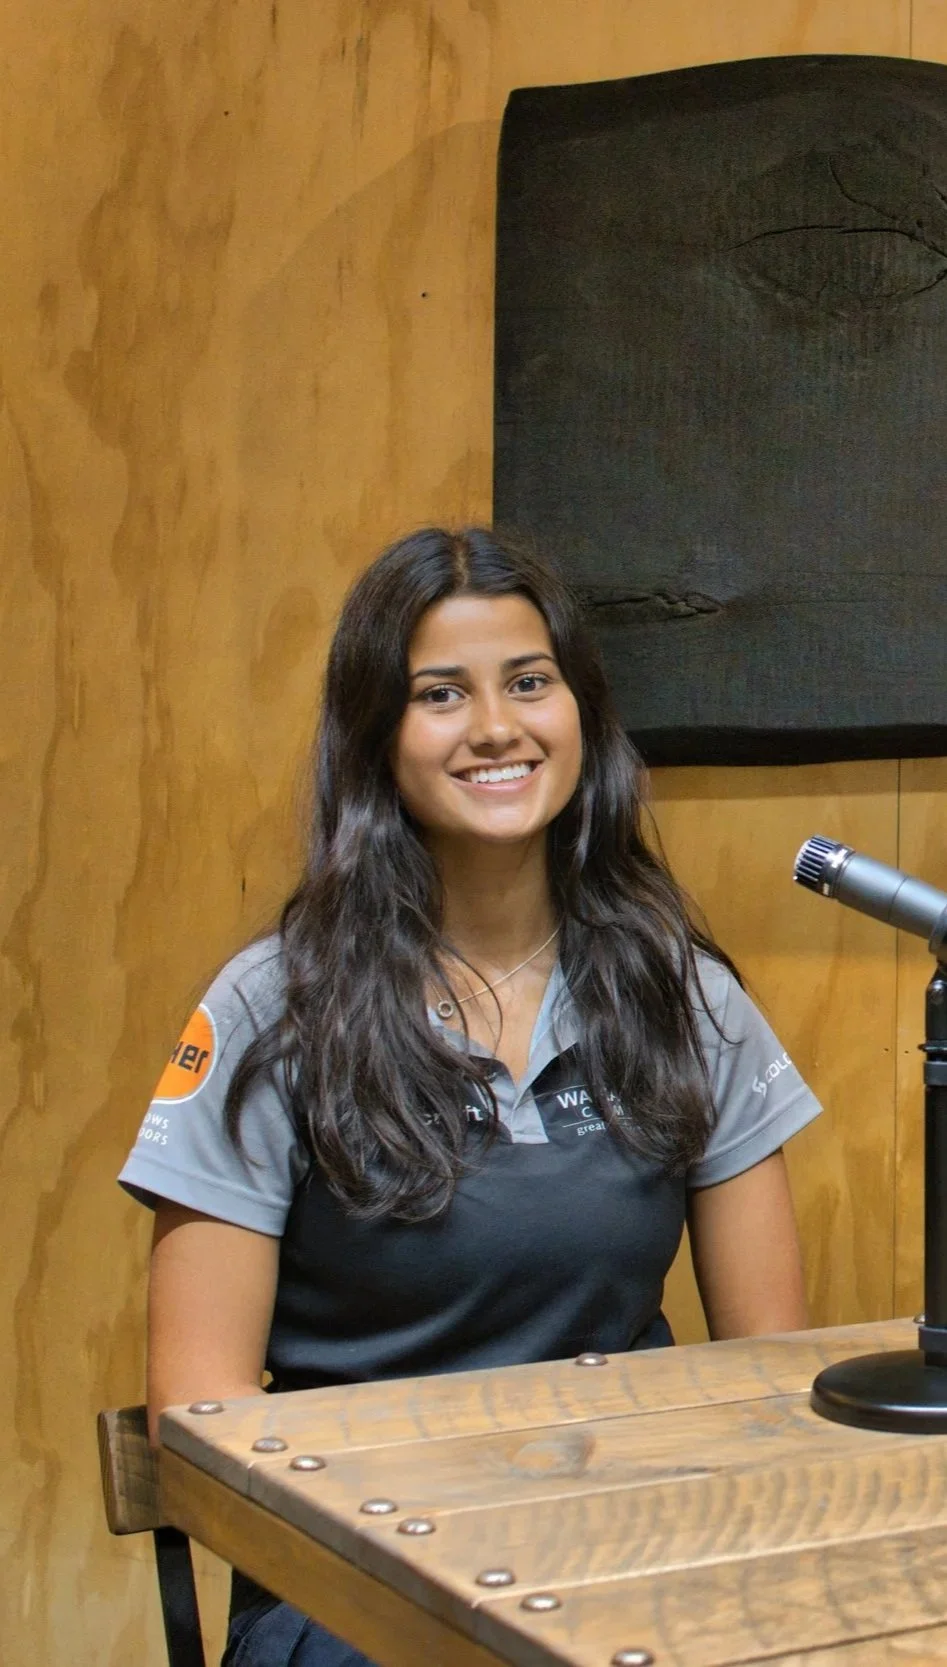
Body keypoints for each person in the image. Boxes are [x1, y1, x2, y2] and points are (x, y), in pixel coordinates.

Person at [119, 526, 818, 1667]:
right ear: (374, 736)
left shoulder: (683, 993)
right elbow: (194, 1423)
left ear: (578, 711)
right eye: (439, 692)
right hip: (355, 1589)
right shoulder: (271, 1008)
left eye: (528, 682)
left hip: (627, 1557)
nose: (495, 726)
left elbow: (766, 1377)